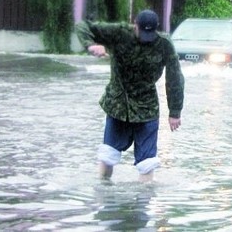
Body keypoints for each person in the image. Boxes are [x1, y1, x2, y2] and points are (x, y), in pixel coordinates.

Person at [74, 9, 184, 183]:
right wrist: (90, 45)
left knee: (147, 163)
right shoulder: (118, 32)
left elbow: (175, 76)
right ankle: (104, 198)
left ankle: (142, 205)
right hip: (118, 105)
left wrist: (175, 111)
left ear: (156, 29)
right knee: (107, 156)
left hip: (146, 108)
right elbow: (82, 25)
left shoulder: (164, 44)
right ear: (135, 25)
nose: (146, 37)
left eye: (151, 33)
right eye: (143, 32)